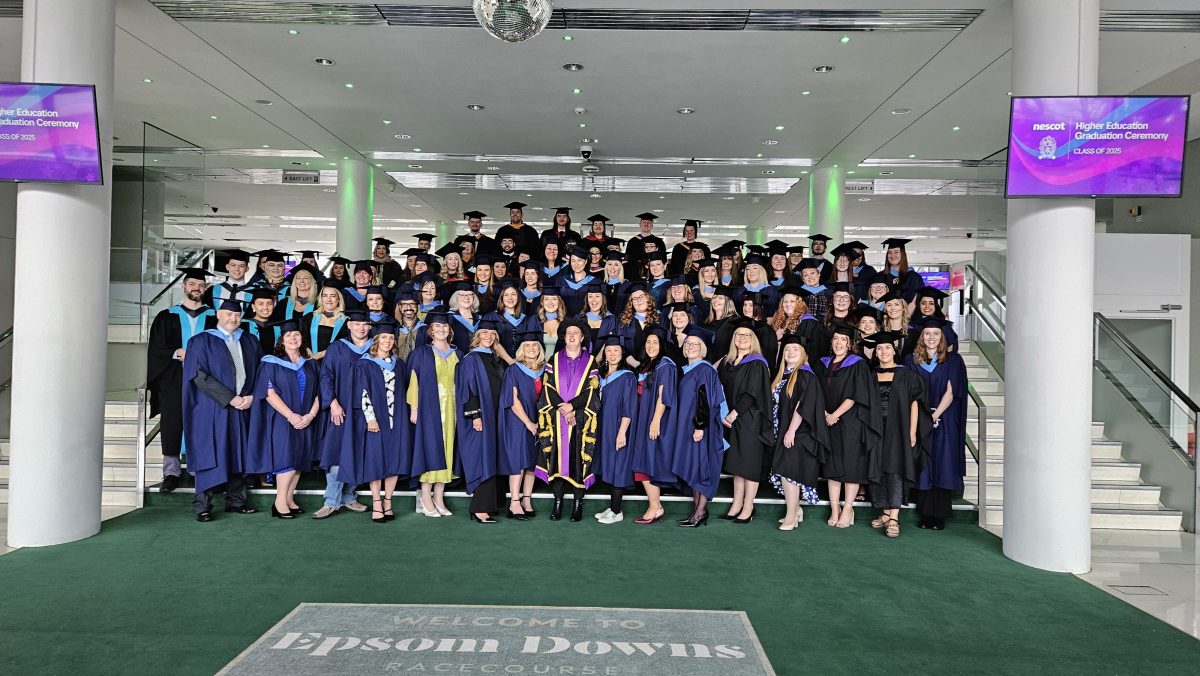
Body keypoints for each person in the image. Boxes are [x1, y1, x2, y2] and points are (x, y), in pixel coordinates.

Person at [181, 299, 262, 521]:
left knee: (239, 452)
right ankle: (202, 506)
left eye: (236, 315)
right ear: (218, 314)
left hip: (243, 406)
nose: (233, 319)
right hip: (213, 408)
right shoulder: (200, 341)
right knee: (212, 452)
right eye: (228, 314)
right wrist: (230, 398)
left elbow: (260, 372)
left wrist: (252, 395)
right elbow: (199, 375)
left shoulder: (250, 340)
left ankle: (236, 501)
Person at [147, 267, 217, 493]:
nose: (197, 288)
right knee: (172, 422)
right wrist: (178, 351)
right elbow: (157, 348)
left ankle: (200, 470)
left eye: (201, 285)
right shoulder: (166, 316)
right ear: (183, 286)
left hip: (206, 379)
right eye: (192, 284)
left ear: (205, 288)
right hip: (174, 377)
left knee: (203, 423)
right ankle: (171, 472)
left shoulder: (214, 317)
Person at [245, 318, 321, 519]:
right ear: (282, 340)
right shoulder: (270, 362)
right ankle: (279, 503)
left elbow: (320, 393)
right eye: (289, 335)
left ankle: (288, 499)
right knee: (286, 458)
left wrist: (310, 415)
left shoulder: (311, 364)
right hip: (282, 418)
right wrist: (291, 416)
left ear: (302, 337)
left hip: (306, 418)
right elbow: (268, 393)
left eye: (296, 334)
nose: (293, 338)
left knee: (299, 459)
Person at [814, 325, 882, 529]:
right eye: (835, 338)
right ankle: (835, 509)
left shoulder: (858, 364)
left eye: (843, 339)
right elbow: (815, 390)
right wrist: (826, 414)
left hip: (850, 421)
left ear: (850, 343)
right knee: (832, 466)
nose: (838, 342)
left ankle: (848, 509)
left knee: (851, 466)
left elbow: (857, 394)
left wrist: (835, 414)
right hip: (827, 420)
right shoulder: (822, 363)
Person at [864, 331, 929, 539]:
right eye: (880, 348)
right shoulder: (870, 375)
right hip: (875, 428)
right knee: (878, 467)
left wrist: (911, 432)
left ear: (894, 350)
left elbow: (914, 404)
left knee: (895, 470)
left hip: (899, 428)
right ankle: (884, 512)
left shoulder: (906, 375)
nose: (883, 351)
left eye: (887, 348)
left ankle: (894, 517)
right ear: (875, 352)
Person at [905, 316, 968, 531]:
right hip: (920, 416)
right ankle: (925, 514)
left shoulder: (953, 360)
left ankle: (939, 515)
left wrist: (935, 414)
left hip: (946, 418)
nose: (931, 337)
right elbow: (911, 394)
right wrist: (924, 417)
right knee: (924, 465)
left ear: (942, 337)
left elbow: (952, 392)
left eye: (936, 334)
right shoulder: (911, 360)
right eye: (927, 334)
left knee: (943, 462)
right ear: (921, 337)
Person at [345, 320, 411, 523]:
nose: (388, 341)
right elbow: (363, 393)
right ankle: (376, 503)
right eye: (384, 337)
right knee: (376, 462)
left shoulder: (399, 364)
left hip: (397, 419)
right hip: (377, 419)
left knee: (394, 461)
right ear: (376, 340)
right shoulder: (365, 364)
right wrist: (370, 419)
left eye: (391, 338)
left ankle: (388, 502)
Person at [535, 319, 601, 522]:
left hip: (580, 419)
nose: (572, 336)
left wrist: (572, 407)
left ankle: (578, 504)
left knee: (578, 459)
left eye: (576, 333)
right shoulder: (553, 360)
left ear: (582, 338)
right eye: (568, 333)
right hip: (557, 419)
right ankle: (558, 502)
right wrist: (563, 409)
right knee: (557, 459)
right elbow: (548, 388)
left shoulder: (591, 362)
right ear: (564, 337)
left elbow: (593, 390)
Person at [313, 309, 373, 520]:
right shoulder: (337, 348)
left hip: (366, 411)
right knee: (337, 454)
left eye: (365, 324)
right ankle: (331, 501)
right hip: (342, 410)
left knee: (359, 452)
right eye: (357, 324)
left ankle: (349, 497)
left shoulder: (374, 348)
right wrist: (333, 403)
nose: (362, 328)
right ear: (349, 325)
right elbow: (326, 377)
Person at [769, 335, 831, 531]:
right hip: (785, 430)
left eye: (795, 349)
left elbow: (802, 405)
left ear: (803, 353)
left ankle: (791, 515)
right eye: (787, 349)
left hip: (799, 431)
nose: (790, 352)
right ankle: (796, 510)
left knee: (789, 473)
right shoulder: (785, 374)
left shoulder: (805, 374)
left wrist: (792, 430)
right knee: (788, 471)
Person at [717, 320, 774, 524]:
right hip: (733, 419)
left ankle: (748, 506)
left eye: (746, 335)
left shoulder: (757, 362)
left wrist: (733, 413)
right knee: (737, 464)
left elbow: (752, 393)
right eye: (738, 335)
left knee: (748, 465)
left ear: (753, 339)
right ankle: (736, 503)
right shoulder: (729, 361)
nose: (742, 338)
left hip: (750, 419)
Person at [670, 333, 729, 528]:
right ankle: (697, 509)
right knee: (694, 467)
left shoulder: (704, 369)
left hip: (700, 426)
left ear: (702, 348)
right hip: (690, 426)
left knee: (701, 466)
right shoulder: (688, 369)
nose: (690, 346)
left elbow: (705, 399)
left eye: (695, 344)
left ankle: (701, 511)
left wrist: (700, 426)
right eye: (687, 344)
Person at [452, 319, 507, 524]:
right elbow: (467, 389)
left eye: (492, 334)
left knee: (492, 457)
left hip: (495, 415)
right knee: (483, 457)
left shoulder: (494, 358)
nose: (489, 336)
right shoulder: (471, 359)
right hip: (481, 416)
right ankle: (479, 508)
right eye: (484, 333)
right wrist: (475, 415)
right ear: (478, 335)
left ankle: (490, 505)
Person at [407, 311, 462, 517]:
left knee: (448, 451)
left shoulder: (458, 353)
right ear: (430, 331)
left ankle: (439, 497)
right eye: (437, 327)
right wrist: (414, 408)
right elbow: (414, 380)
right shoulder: (421, 353)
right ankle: (425, 495)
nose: (441, 330)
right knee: (429, 450)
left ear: (450, 330)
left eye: (444, 327)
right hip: (429, 411)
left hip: (452, 411)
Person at [629, 326, 678, 525]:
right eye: (648, 342)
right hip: (644, 418)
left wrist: (655, 420)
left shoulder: (665, 365)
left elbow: (663, 396)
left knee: (648, 462)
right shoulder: (648, 365)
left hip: (654, 419)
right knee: (643, 462)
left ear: (662, 345)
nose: (651, 346)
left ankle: (655, 506)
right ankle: (655, 505)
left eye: (655, 342)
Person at [498, 331, 547, 520]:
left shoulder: (546, 369)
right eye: (527, 346)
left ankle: (527, 500)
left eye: (535, 345)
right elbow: (513, 399)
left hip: (539, 421)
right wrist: (528, 423)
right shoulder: (514, 369)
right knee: (518, 461)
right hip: (518, 422)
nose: (532, 349)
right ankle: (514, 503)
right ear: (521, 350)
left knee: (532, 462)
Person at [592, 335, 637, 525]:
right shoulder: (601, 376)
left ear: (622, 354)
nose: (612, 354)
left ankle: (617, 511)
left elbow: (629, 407)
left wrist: (622, 432)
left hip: (618, 427)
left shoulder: (627, 377)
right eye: (608, 351)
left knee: (619, 467)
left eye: (616, 351)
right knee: (610, 466)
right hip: (604, 427)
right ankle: (612, 507)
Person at [908, 286, 959, 353]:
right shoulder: (912, 326)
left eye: (931, 303)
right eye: (923, 303)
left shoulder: (945, 326)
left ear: (935, 306)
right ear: (919, 305)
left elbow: (951, 347)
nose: (927, 306)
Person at [302, 286, 349, 359]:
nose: (328, 299)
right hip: (310, 359)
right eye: (325, 296)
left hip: (334, 361)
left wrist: (324, 353)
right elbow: (302, 338)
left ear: (339, 299)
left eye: (332, 296)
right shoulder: (309, 317)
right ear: (321, 299)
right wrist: (310, 354)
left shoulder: (346, 322)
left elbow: (345, 344)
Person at [881, 238, 924, 302]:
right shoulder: (880, 276)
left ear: (902, 254)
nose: (892, 255)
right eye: (889, 252)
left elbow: (916, 301)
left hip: (909, 311)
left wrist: (905, 312)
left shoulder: (914, 277)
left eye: (896, 252)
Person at [703, 286, 739, 362]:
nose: (716, 300)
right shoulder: (707, 322)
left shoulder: (735, 322)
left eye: (720, 298)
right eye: (714, 297)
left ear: (728, 302)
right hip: (708, 364)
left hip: (725, 365)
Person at [242, 287, 282, 355]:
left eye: (269, 304)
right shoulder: (243, 325)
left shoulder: (278, 327)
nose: (265, 307)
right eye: (261, 304)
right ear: (253, 307)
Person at [557, 246, 595, 316]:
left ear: (586, 261)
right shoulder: (561, 281)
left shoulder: (595, 282)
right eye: (573, 261)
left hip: (587, 320)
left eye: (579, 260)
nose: (576, 264)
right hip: (565, 320)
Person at [448, 284, 481, 350]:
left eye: (470, 294)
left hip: (478, 357)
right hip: (458, 357)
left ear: (474, 298)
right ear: (456, 298)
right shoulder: (450, 318)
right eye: (462, 295)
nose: (466, 297)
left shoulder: (480, 318)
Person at [538, 288, 565, 356]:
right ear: (542, 302)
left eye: (554, 299)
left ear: (559, 302)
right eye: (546, 299)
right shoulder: (535, 321)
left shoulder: (567, 322)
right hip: (539, 364)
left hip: (561, 364)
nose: (550, 302)